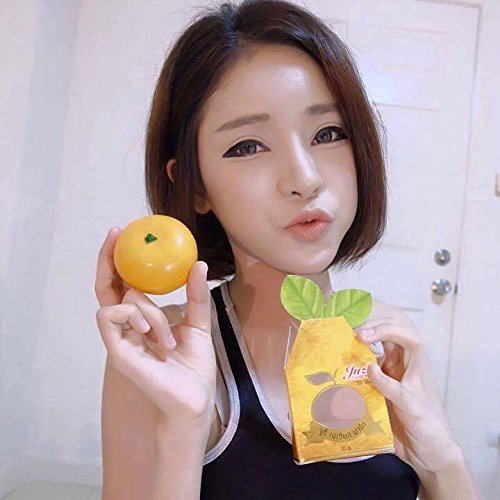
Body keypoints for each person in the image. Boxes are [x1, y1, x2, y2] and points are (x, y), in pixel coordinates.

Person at [94, 1, 482, 498]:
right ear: (195, 185)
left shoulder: (387, 341)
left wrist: (442, 460)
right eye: (248, 146)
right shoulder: (158, 355)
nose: (305, 177)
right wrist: (184, 429)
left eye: (328, 134)